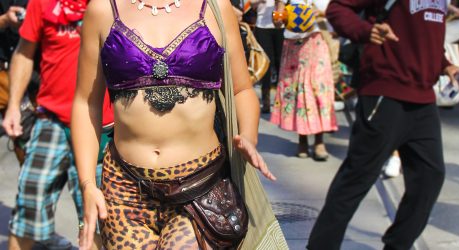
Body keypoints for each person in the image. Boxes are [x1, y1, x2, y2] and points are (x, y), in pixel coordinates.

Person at [71, 0, 284, 248]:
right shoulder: (102, 9)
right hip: (124, 190)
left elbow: (241, 90)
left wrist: (248, 135)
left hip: (199, 188)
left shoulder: (216, 6)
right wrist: (87, 184)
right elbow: (86, 104)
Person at [307, 0, 459, 249]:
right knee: (357, 178)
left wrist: (447, 66)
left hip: (423, 100)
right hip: (385, 95)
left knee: (430, 177)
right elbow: (337, 8)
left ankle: (397, 245)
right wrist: (364, 30)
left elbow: (426, 42)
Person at [1, 0, 114, 248]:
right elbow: (24, 51)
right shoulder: (42, 3)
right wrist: (13, 107)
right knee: (27, 209)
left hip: (100, 128)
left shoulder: (112, 4)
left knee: (97, 218)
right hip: (51, 121)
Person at [270, 0, 338, 161]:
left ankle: (319, 141)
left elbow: (338, 15)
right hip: (293, 45)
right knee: (298, 91)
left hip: (317, 42)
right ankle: (302, 139)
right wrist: (280, 13)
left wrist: (320, 14)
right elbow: (277, 22)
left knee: (318, 91)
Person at [254, 0, 284, 113]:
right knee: (266, 63)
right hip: (262, 27)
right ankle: (265, 101)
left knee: (280, 62)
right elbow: (251, 4)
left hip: (280, 26)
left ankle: (282, 100)